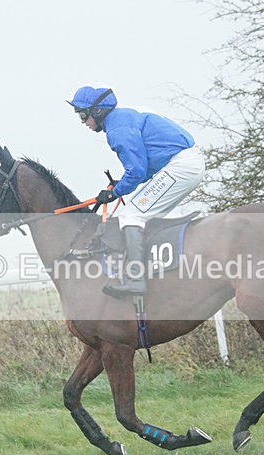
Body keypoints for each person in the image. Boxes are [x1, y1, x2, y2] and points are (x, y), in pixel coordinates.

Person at [68, 85, 205, 298]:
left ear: (97, 111)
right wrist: (120, 184)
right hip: (184, 163)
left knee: (130, 214)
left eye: (83, 115)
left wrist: (115, 192)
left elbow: (137, 171)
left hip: (181, 166)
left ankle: (136, 280)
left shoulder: (117, 131)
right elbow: (144, 165)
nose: (83, 122)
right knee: (146, 217)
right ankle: (158, 275)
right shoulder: (125, 116)